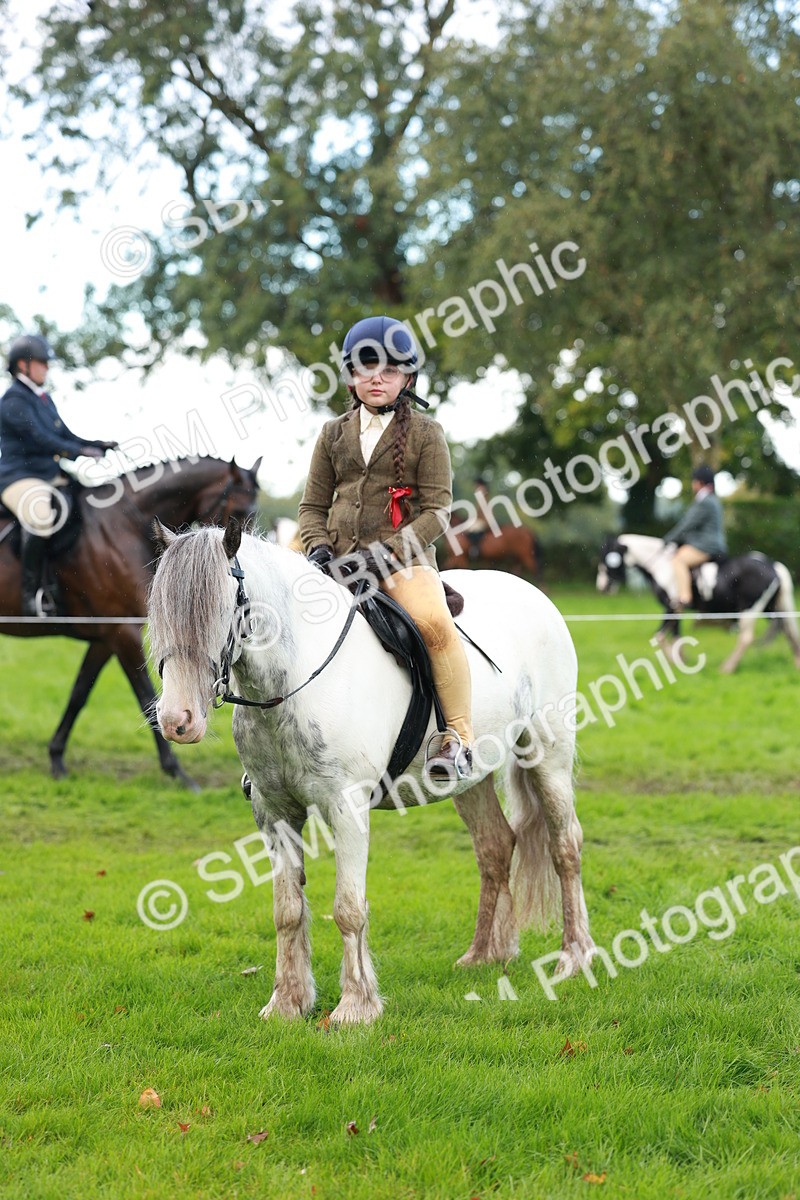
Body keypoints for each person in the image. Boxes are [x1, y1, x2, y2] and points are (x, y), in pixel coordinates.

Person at [298, 315, 474, 781]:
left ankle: (458, 737)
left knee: (434, 625)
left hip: (403, 564)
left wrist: (386, 555)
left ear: (407, 378)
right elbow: (312, 506)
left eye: (389, 370)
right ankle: (276, 750)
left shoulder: (427, 434)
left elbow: (437, 512)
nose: (376, 378)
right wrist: (317, 548)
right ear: (350, 376)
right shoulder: (332, 433)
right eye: (366, 368)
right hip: (335, 563)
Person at [0, 333, 118, 616]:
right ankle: (30, 596)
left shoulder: (44, 399)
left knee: (88, 503)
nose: (47, 368)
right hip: (18, 477)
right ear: (23, 365)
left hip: (50, 474)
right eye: (42, 362)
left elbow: (64, 435)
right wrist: (79, 452)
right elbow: (41, 439)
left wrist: (95, 444)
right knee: (40, 515)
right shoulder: (12, 401)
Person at [663, 464, 727, 611]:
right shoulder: (711, 499)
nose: (693, 484)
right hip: (708, 543)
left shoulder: (705, 501)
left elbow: (687, 525)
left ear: (700, 483)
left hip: (707, 545)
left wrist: (668, 539)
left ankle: (685, 597)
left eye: (694, 481)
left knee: (678, 559)